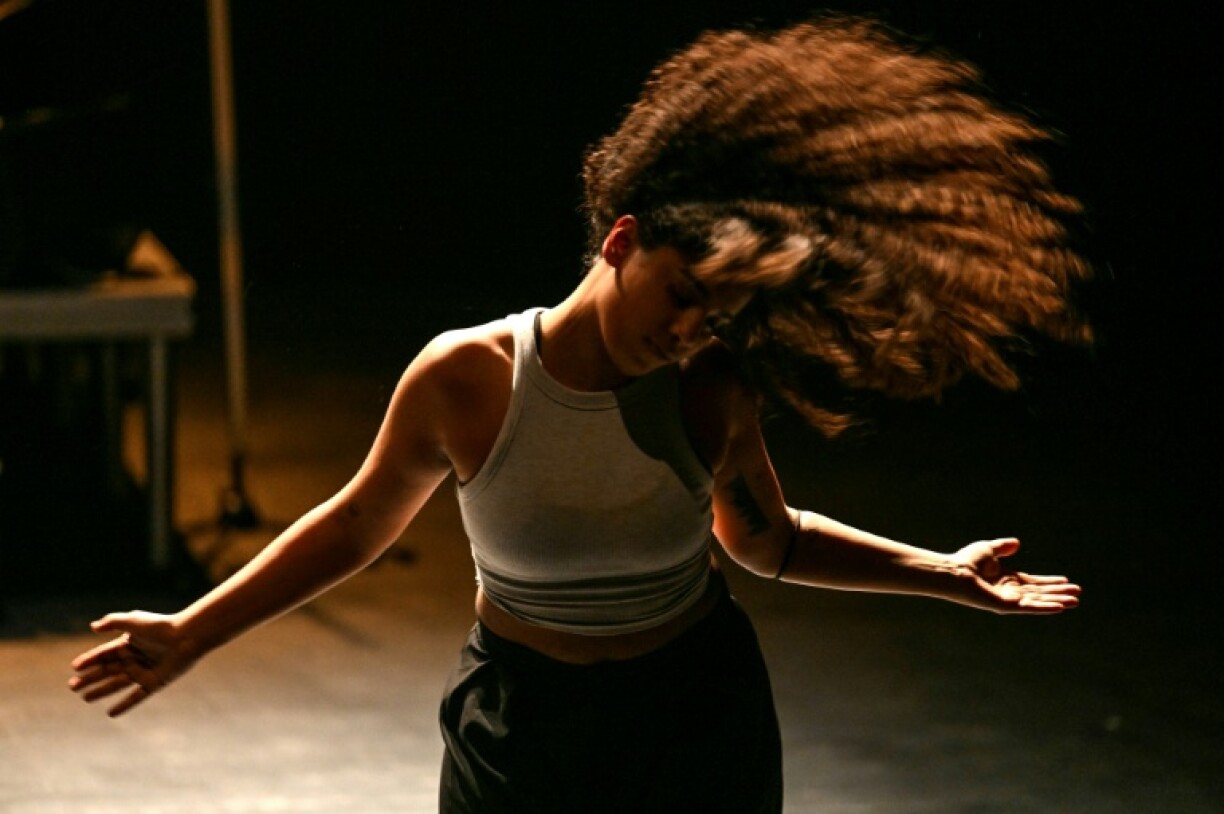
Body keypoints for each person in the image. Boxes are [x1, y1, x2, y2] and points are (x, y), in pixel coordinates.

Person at [69, 16, 1088, 813]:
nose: (691, 327)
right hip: (521, 728)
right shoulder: (468, 379)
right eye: (681, 291)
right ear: (622, 240)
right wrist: (194, 632)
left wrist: (943, 573)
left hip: (695, 720)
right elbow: (353, 525)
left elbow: (766, 539)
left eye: (719, 312)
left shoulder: (711, 387)